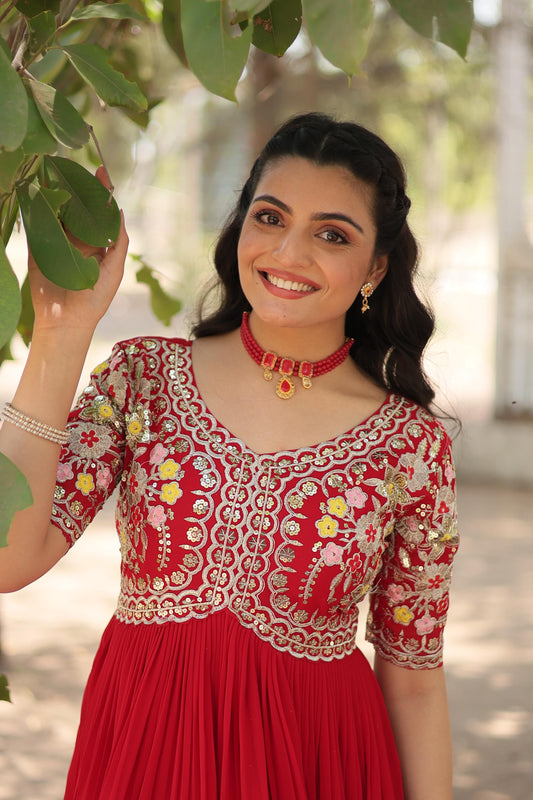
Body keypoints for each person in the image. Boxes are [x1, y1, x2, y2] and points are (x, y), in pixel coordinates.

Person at [0, 112, 458, 800]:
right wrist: (61, 335)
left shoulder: (410, 449)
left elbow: (415, 679)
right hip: (147, 755)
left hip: (318, 766)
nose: (290, 251)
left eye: (331, 234)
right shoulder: (143, 380)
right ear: (240, 226)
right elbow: (8, 561)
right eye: (270, 217)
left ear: (377, 267)